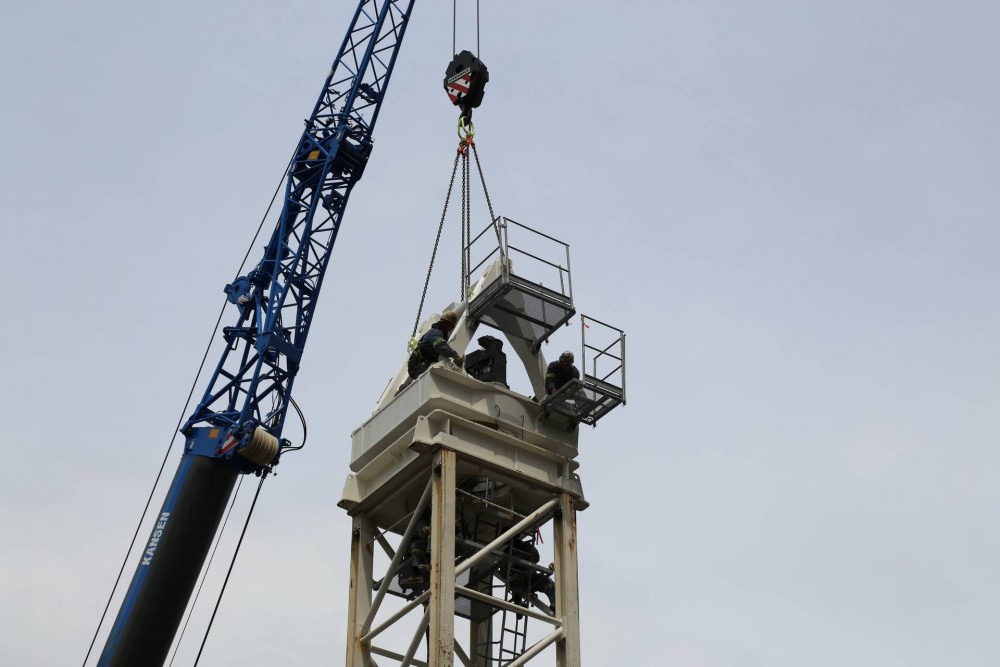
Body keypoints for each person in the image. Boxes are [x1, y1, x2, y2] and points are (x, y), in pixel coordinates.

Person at [407, 311, 464, 379]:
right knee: (428, 380)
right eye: (452, 325)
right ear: (447, 323)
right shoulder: (435, 332)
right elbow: (440, 345)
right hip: (417, 365)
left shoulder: (441, 334)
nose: (452, 328)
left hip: (424, 364)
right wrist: (454, 355)